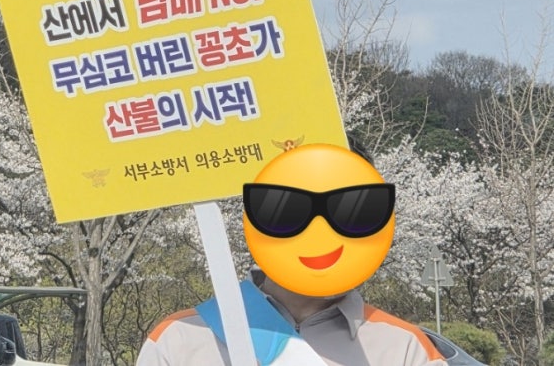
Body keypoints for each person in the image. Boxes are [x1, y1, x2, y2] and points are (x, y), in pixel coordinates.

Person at [136, 138, 448, 366]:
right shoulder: (180, 340)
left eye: (352, 210)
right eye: (291, 206)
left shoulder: (407, 351)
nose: (321, 230)